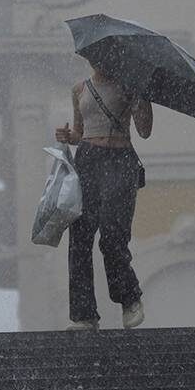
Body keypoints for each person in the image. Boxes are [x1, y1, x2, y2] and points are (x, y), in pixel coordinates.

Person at [54, 61, 153, 330]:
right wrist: (68, 136)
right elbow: (80, 132)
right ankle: (84, 315)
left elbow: (144, 130)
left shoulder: (128, 87)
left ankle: (130, 299)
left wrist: (141, 98)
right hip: (87, 160)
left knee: (113, 234)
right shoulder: (80, 89)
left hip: (120, 160)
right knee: (80, 237)